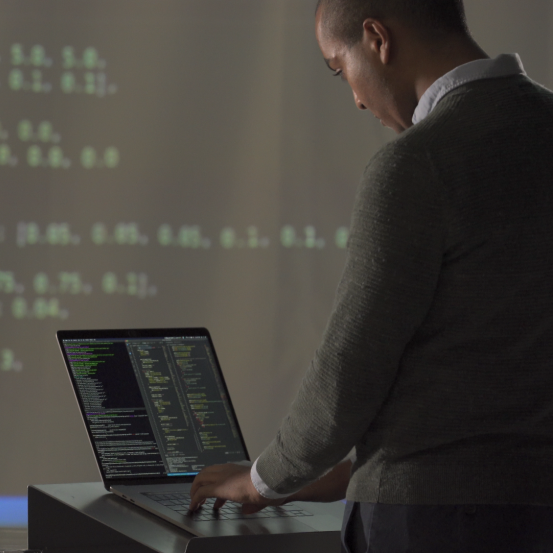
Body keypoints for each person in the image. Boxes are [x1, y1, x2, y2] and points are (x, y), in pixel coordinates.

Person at [188, 1, 553, 551]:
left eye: (339, 67)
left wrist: (263, 479)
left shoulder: (415, 164)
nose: (357, 97)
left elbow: (350, 370)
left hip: (427, 520)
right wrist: (339, 473)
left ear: (378, 39)